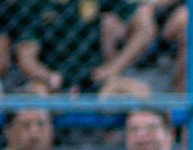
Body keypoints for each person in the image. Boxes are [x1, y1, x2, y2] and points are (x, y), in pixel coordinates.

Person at [12, 0, 153, 96]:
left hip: (95, 77)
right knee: (34, 97)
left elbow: (145, 29)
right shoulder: (30, 4)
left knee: (139, 92)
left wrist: (112, 68)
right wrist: (49, 77)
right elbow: (27, 59)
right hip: (49, 80)